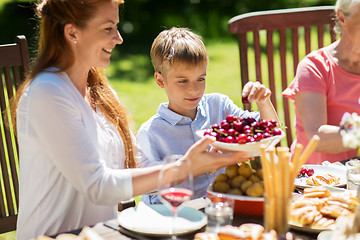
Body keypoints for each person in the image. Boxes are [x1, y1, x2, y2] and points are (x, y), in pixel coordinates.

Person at [12, 1, 248, 239]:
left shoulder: (101, 92)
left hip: (101, 234)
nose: (119, 38)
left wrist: (205, 162)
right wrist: (184, 168)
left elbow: (137, 167)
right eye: (108, 28)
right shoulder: (47, 92)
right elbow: (98, 186)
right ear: (72, 32)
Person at [136, 27, 280, 204]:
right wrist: (199, 165)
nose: (194, 89)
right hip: (176, 217)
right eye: (183, 81)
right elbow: (150, 185)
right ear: (160, 80)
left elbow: (270, 131)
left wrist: (263, 101)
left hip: (222, 209)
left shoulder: (219, 106)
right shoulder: (151, 133)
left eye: (201, 79)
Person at [283, 0, 360, 164]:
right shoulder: (314, 67)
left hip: (351, 176)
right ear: (342, 18)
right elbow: (317, 136)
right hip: (310, 180)